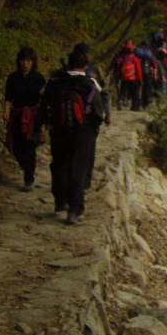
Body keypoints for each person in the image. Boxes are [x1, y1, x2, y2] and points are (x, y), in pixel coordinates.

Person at [40, 48, 108, 224]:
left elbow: (44, 106)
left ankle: (60, 201)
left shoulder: (55, 82)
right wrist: (91, 131)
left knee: (59, 165)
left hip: (59, 131)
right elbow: (99, 114)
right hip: (82, 133)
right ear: (85, 65)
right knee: (77, 169)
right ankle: (75, 210)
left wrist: (47, 124)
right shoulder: (89, 84)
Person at [3, 46, 46, 191]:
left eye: (28, 60)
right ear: (19, 61)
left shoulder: (39, 79)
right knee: (16, 147)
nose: (25, 63)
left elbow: (44, 99)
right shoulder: (12, 78)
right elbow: (8, 98)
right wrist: (6, 111)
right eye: (23, 60)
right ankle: (26, 167)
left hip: (33, 117)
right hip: (17, 114)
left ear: (33, 62)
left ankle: (29, 180)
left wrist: (42, 117)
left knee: (30, 147)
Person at [71, 43, 112, 190]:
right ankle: (85, 182)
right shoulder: (93, 72)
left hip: (65, 121)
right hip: (87, 121)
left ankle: (66, 185)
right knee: (87, 151)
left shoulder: (62, 73)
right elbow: (104, 95)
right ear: (88, 55)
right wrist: (107, 115)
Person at [114, 42, 143, 111]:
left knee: (123, 91)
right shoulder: (135, 59)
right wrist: (140, 78)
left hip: (124, 78)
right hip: (134, 78)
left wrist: (119, 76)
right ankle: (134, 107)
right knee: (135, 92)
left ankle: (120, 100)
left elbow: (118, 68)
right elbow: (138, 69)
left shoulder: (122, 59)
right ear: (132, 50)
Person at [133, 39, 158, 109]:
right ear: (147, 45)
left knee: (136, 89)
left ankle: (136, 105)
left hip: (136, 73)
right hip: (147, 73)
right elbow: (154, 65)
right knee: (147, 89)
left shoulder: (136, 52)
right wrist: (155, 75)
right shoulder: (149, 53)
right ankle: (146, 104)